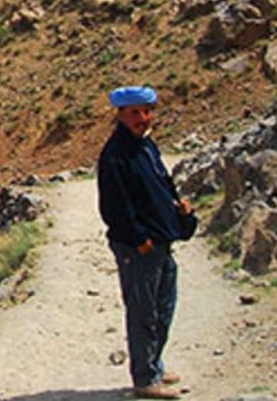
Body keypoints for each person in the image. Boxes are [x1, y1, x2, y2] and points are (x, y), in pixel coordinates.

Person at [97, 85, 197, 400]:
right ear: (121, 115)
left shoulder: (145, 146)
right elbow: (114, 207)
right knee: (143, 312)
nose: (144, 117)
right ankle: (145, 378)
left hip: (161, 240)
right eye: (136, 113)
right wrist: (139, 239)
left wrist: (179, 209)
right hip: (139, 248)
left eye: (147, 111)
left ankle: (154, 363)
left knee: (164, 306)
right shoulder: (116, 155)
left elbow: (163, 182)